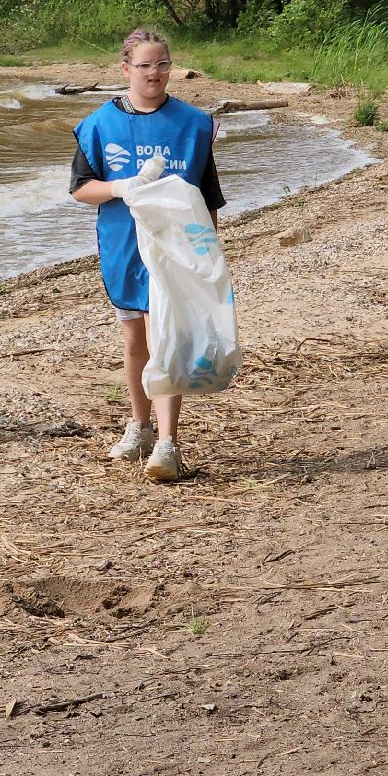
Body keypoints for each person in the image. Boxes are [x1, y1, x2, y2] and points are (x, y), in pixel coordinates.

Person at [69, 28, 226, 480]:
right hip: (124, 247)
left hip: (178, 250)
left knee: (167, 340)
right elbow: (82, 188)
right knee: (136, 342)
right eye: (145, 65)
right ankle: (138, 427)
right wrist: (122, 186)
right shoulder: (99, 125)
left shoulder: (193, 124)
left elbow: (207, 195)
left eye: (162, 64)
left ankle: (167, 443)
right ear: (125, 70)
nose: (155, 73)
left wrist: (209, 258)